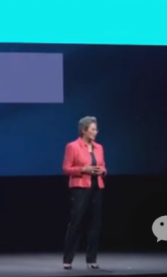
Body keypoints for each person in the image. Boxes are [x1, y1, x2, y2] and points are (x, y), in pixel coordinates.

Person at [61, 116, 106, 270]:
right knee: (76, 222)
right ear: (83, 130)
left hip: (96, 187)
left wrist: (102, 171)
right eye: (93, 129)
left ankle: (92, 259)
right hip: (80, 188)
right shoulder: (72, 146)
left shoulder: (99, 147)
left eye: (96, 129)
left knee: (95, 224)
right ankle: (68, 259)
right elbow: (66, 168)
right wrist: (83, 169)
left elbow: (103, 166)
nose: (96, 132)